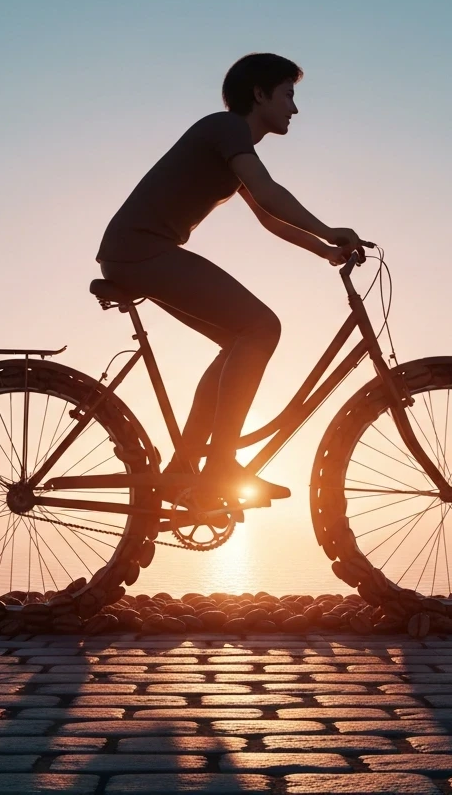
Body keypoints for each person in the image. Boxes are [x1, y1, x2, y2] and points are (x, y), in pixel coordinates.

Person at [95, 52, 363, 507]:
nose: (294, 109)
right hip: (140, 251)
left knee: (240, 338)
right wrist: (329, 228)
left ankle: (185, 469)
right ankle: (218, 465)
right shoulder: (227, 129)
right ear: (259, 94)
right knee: (262, 327)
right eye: (288, 95)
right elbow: (270, 194)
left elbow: (268, 218)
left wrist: (324, 250)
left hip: (137, 252)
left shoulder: (231, 143)